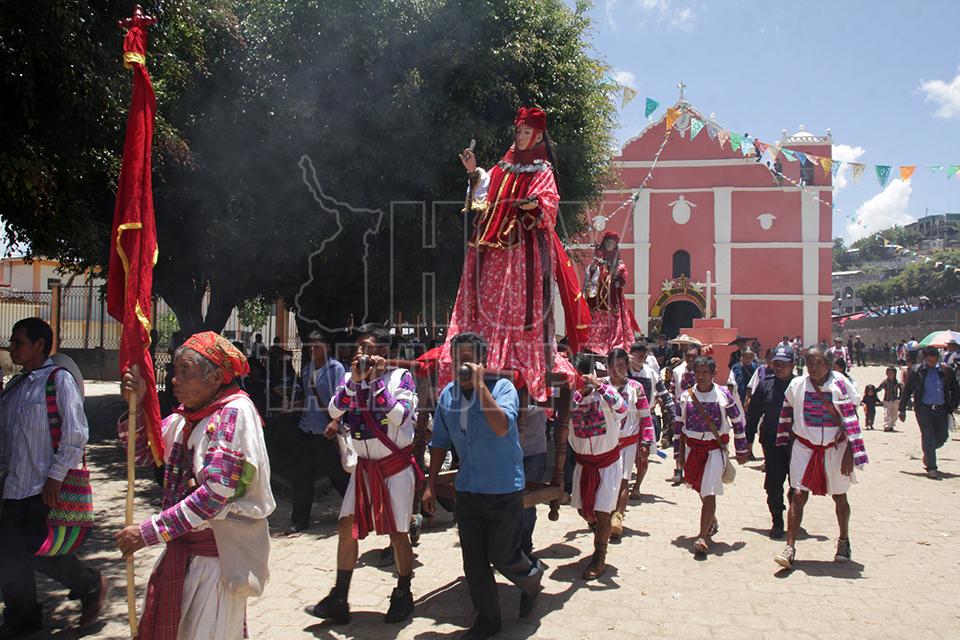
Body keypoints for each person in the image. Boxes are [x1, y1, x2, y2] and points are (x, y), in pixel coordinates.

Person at [117, 331, 275, 638]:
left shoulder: (233, 413)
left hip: (217, 563)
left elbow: (214, 496)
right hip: (186, 553)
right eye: (174, 372)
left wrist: (147, 532)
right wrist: (135, 405)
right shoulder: (185, 418)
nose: (175, 381)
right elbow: (141, 454)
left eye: (185, 372)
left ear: (215, 377)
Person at [440, 106, 585, 402]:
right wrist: (473, 170)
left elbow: (549, 204)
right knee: (487, 296)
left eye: (526, 131)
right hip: (493, 246)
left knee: (515, 302)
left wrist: (533, 205)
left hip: (522, 250)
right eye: (518, 131)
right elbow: (485, 190)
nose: (520, 136)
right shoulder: (505, 165)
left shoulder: (543, 170)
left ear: (538, 135)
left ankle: (512, 353)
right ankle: (482, 347)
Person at [423, 332, 543, 639]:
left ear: (482, 362)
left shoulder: (502, 388)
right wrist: (430, 485)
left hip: (503, 487)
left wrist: (479, 387)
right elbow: (439, 442)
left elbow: (502, 426)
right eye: (457, 358)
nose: (462, 364)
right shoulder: (448, 395)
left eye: (468, 358)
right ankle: (489, 620)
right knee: (474, 560)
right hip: (469, 489)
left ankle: (532, 577)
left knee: (503, 555)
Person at [0, 318, 106, 635]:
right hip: (15, 486)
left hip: (44, 487)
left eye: (18, 342)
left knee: (40, 550)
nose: (12, 348)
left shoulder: (58, 380)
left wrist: (56, 477)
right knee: (8, 552)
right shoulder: (15, 387)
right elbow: (6, 439)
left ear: (39, 345)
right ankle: (23, 616)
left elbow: (76, 433)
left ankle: (89, 585)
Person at [311, 324, 420, 624]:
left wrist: (374, 383)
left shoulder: (401, 378)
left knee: (398, 534)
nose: (360, 353)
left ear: (383, 352)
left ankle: (403, 593)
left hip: (394, 469)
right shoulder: (348, 379)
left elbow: (400, 416)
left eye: (367, 347)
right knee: (346, 527)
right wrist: (354, 384)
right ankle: (339, 597)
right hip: (363, 470)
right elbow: (335, 411)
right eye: (358, 347)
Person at [774, 346, 868, 569]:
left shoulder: (841, 384)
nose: (814, 368)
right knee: (797, 496)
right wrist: (780, 443)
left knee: (839, 496)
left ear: (828, 364)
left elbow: (851, 419)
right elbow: (786, 415)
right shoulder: (797, 385)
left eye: (819, 363)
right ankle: (790, 547)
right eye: (810, 363)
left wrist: (849, 451)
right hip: (804, 449)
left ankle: (844, 541)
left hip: (834, 450)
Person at [674, 355, 749, 555]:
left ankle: (702, 536)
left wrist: (742, 450)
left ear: (714, 374)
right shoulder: (685, 397)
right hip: (692, 450)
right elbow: (678, 426)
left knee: (709, 491)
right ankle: (711, 520)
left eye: (705, 372)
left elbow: (737, 422)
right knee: (699, 487)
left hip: (714, 450)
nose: (701, 376)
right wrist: (678, 454)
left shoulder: (724, 395)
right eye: (698, 372)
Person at [565, 353, 627, 578]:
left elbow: (623, 409)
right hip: (583, 464)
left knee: (602, 512)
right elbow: (557, 415)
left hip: (607, 463)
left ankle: (599, 556)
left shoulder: (606, 394)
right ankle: (599, 529)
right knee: (584, 511)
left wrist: (599, 386)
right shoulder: (571, 398)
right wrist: (578, 392)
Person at [286, 330, 349, 535]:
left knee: (337, 475)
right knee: (301, 476)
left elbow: (343, 398)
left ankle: (356, 511)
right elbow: (307, 399)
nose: (312, 348)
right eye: (309, 345)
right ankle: (299, 520)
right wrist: (294, 404)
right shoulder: (306, 370)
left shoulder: (336, 369)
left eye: (317, 345)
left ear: (327, 347)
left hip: (326, 432)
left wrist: (335, 420)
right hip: (306, 428)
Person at [744, 344, 795, 538]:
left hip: (796, 444)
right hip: (772, 443)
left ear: (792, 365)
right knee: (773, 483)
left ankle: (794, 513)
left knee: (797, 484)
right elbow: (754, 413)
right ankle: (777, 520)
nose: (779, 367)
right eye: (776, 364)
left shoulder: (800, 385)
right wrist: (747, 440)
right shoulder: (765, 384)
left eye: (783, 364)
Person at [605, 348, 654, 540]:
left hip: (628, 442)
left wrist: (647, 441)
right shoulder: (601, 386)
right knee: (605, 481)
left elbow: (645, 417)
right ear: (608, 367)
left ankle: (618, 517)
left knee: (623, 480)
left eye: (622, 365)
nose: (618, 370)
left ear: (627, 366)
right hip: (605, 443)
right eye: (614, 366)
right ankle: (603, 515)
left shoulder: (636, 388)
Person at [899, 346, 960, 479]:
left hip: (941, 409)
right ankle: (931, 467)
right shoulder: (916, 371)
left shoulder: (946, 370)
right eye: (930, 361)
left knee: (942, 437)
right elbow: (907, 390)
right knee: (928, 436)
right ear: (925, 359)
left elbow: (956, 389)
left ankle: (928, 451)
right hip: (923, 409)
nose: (933, 364)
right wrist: (902, 409)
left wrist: (954, 405)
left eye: (935, 361)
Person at [583, 232, 637, 353]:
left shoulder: (619, 263)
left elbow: (621, 280)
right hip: (596, 299)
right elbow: (589, 277)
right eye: (608, 242)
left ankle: (614, 346)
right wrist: (593, 268)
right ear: (604, 243)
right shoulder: (597, 261)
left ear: (615, 246)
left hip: (612, 299)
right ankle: (594, 346)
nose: (609, 245)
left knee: (613, 322)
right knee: (595, 322)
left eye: (612, 243)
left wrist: (616, 272)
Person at [520, 404, 549, 558]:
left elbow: (543, 405)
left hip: (534, 451)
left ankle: (525, 546)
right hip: (511, 450)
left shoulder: (541, 386)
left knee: (527, 502)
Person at [878, 366, 902, 433]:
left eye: (892, 373)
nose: (890, 374)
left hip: (895, 400)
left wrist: (900, 397)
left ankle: (891, 425)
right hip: (887, 400)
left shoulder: (897, 383)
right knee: (887, 413)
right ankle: (886, 426)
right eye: (889, 373)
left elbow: (902, 390)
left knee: (894, 414)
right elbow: (879, 388)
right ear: (886, 373)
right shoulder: (885, 382)